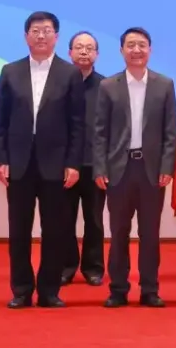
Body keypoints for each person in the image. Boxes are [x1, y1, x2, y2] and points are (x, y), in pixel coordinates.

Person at [0, 11, 85, 309]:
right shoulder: (10, 71)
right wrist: (0, 159)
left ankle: (49, 290)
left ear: (56, 36)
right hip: (18, 163)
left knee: (54, 231)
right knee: (19, 230)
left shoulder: (69, 73)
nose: (41, 35)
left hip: (56, 164)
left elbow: (78, 124)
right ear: (26, 36)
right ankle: (21, 289)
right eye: (35, 30)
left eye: (46, 30)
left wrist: (73, 163)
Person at [92, 27, 176, 308]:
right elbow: (100, 132)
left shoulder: (164, 84)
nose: (136, 50)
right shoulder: (108, 86)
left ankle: (150, 289)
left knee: (150, 234)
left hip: (152, 170)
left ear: (150, 49)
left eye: (142, 45)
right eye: (131, 45)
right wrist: (100, 168)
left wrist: (168, 166)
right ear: (121, 50)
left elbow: (170, 131)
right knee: (118, 232)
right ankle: (118, 289)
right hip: (119, 169)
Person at [62, 31, 106, 286]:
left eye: (89, 48)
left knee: (95, 220)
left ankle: (93, 268)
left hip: (95, 165)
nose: (84, 52)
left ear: (97, 54)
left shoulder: (106, 86)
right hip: (64, 164)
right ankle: (65, 266)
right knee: (63, 219)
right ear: (70, 52)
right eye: (79, 47)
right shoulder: (59, 83)